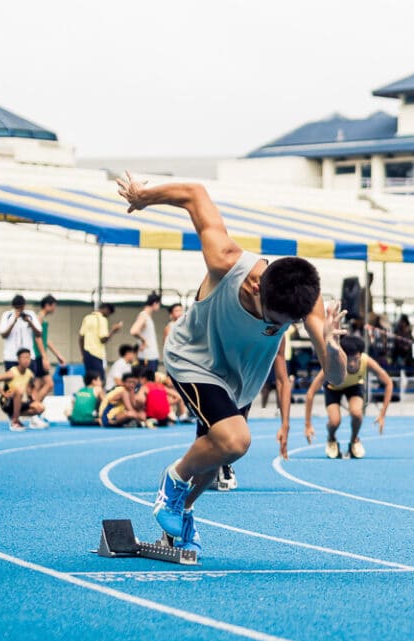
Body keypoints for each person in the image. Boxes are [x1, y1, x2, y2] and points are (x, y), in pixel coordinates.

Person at [117, 172, 347, 553]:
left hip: (239, 378)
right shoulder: (226, 261)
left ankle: (180, 514)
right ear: (257, 286)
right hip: (193, 358)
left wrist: (334, 347)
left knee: (211, 461)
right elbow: (194, 193)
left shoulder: (305, 303)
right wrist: (144, 196)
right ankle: (172, 479)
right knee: (235, 440)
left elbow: (336, 377)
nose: (280, 328)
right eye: (275, 321)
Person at [304, 334, 393, 458]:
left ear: (360, 355)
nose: (351, 364)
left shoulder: (366, 361)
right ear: (341, 355)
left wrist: (382, 414)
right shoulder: (332, 363)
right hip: (333, 388)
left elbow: (388, 382)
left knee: (357, 414)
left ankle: (354, 440)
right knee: (334, 422)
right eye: (348, 359)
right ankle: (331, 438)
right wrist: (308, 425)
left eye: (355, 359)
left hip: (354, 386)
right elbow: (310, 392)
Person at [0, 348, 48, 431]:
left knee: (40, 407)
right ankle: (14, 422)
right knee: (19, 390)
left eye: (28, 357)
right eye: (24, 358)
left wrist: (33, 398)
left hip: (18, 402)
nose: (26, 360)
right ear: (18, 359)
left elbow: (32, 387)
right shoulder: (12, 373)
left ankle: (14, 415)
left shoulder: (29, 373)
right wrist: (3, 393)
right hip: (6, 402)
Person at [0, 294, 43, 371]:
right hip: (11, 357)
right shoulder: (7, 315)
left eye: (21, 307)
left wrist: (29, 322)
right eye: (17, 307)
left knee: (30, 381)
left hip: (28, 357)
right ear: (13, 306)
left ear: (24, 305)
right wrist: (14, 321)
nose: (19, 309)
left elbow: (39, 333)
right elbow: (3, 335)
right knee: (12, 382)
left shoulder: (30, 314)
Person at [79, 303, 122, 378]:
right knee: (100, 380)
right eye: (109, 313)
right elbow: (103, 339)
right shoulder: (102, 319)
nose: (108, 315)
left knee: (90, 381)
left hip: (87, 353)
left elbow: (81, 338)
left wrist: (83, 354)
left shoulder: (87, 318)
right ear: (106, 309)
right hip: (97, 354)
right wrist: (113, 330)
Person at [35, 294, 65, 401]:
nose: (54, 309)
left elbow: (45, 339)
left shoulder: (43, 319)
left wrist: (57, 354)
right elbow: (37, 338)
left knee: (38, 385)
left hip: (39, 355)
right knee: (49, 384)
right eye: (54, 306)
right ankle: (34, 407)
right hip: (37, 355)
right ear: (48, 305)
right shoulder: (39, 318)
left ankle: (35, 412)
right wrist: (44, 357)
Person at [130, 292, 163, 372]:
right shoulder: (143, 316)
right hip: (147, 356)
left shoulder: (147, 316)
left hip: (151, 355)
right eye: (159, 304)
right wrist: (143, 340)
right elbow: (133, 331)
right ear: (155, 303)